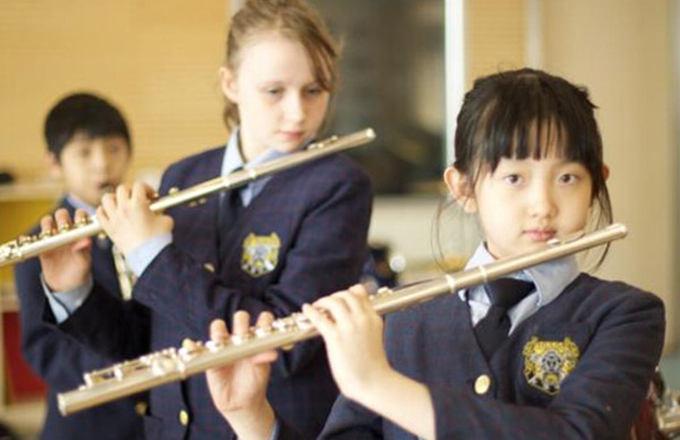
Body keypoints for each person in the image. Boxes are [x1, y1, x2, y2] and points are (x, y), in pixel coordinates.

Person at [205, 68, 666, 440]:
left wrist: (379, 384)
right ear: (462, 188)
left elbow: (576, 433)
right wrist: (252, 420)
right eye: (514, 178)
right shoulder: (401, 317)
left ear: (596, 183)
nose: (543, 205)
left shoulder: (625, 315)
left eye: (567, 178)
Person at [36, 0, 373, 439]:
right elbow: (150, 339)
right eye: (274, 91)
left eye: (314, 90)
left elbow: (284, 344)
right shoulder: (185, 175)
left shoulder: (339, 186)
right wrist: (75, 291)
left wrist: (150, 253)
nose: (297, 112)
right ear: (230, 83)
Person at [14, 92, 146, 440]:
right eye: (84, 152)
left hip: (158, 422)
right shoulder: (36, 247)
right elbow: (44, 349)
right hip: (88, 425)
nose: (102, 164)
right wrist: (130, 370)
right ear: (54, 163)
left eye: (114, 148)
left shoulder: (151, 226)